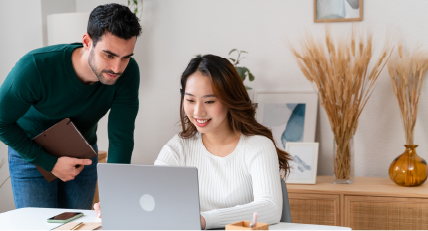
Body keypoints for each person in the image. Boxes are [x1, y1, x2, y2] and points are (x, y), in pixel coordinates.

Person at [94, 54, 292, 230]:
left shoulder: (258, 146)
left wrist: (204, 220)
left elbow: (270, 208)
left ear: (229, 100)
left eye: (209, 101)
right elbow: (152, 195)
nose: (198, 112)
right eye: (190, 100)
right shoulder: (178, 147)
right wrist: (121, 205)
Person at [0, 3, 142, 210]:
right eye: (109, 55)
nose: (117, 68)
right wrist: (49, 163)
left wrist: (114, 193)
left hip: (82, 155)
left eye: (125, 57)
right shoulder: (35, 67)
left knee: (80, 225)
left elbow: (121, 138)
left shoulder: (128, 73)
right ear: (87, 42)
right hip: (32, 154)